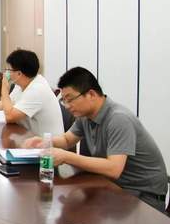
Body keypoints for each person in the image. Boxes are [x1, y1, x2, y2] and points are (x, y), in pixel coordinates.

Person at [23, 67, 168, 212]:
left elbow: (114, 168)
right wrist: (44, 141)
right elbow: (67, 140)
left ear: (91, 94)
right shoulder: (86, 116)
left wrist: (67, 157)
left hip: (143, 196)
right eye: (64, 100)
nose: (66, 106)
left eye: (70, 99)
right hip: (114, 187)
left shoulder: (119, 119)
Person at [0, 49, 63, 136]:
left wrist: (4, 89)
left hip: (47, 145)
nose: (6, 73)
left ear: (19, 74)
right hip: (27, 136)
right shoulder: (21, 84)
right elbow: (4, 104)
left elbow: (9, 116)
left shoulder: (37, 89)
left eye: (9, 70)